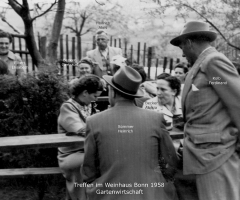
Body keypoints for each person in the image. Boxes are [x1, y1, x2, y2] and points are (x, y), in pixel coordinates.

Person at [82, 65, 179, 200]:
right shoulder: (156, 118)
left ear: (112, 92)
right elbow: (171, 159)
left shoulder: (93, 121)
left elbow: (88, 170)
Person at [170, 21, 240, 200]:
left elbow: (237, 102)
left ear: (189, 43)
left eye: (182, 46)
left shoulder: (213, 62)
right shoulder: (201, 65)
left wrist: (233, 146)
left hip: (215, 156)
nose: (182, 52)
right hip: (200, 154)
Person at [57, 75, 104, 200]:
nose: (96, 99)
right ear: (85, 93)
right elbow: (81, 130)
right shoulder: (68, 107)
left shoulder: (87, 105)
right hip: (70, 156)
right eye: (95, 96)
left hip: (86, 152)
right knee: (95, 162)